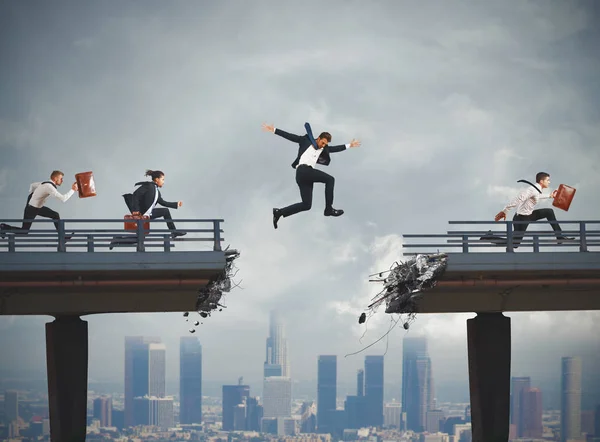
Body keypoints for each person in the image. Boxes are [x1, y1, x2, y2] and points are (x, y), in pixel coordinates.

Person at [262, 122, 361, 229]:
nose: (323, 146)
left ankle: (279, 212)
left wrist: (349, 145)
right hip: (303, 171)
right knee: (330, 179)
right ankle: (329, 209)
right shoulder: (305, 140)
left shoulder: (323, 148)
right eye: (322, 143)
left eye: (325, 144)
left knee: (307, 205)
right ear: (318, 138)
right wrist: (274, 130)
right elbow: (290, 136)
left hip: (305, 177)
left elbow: (335, 149)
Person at [494, 172, 574, 248]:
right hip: (521, 219)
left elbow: (536, 196)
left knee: (549, 212)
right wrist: (505, 210)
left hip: (529, 215)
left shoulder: (537, 189)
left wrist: (550, 196)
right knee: (514, 244)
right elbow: (518, 199)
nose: (549, 182)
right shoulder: (532, 189)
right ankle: (489, 237)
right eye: (548, 180)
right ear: (541, 181)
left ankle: (559, 237)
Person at [1, 170, 78, 237]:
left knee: (55, 215)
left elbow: (32, 185)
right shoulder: (49, 187)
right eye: (61, 178)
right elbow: (63, 199)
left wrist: (33, 198)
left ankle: (63, 237)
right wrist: (73, 190)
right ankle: (4, 227)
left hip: (36, 207)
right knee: (24, 231)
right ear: (55, 178)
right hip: (32, 209)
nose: (62, 180)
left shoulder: (44, 183)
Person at [128, 169, 186, 237]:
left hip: (148, 215)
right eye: (163, 179)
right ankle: (118, 240)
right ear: (157, 179)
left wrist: (176, 204)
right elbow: (136, 194)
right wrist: (136, 210)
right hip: (141, 214)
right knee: (140, 238)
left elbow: (163, 202)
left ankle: (174, 232)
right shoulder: (149, 186)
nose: (163, 182)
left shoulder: (157, 192)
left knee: (165, 211)